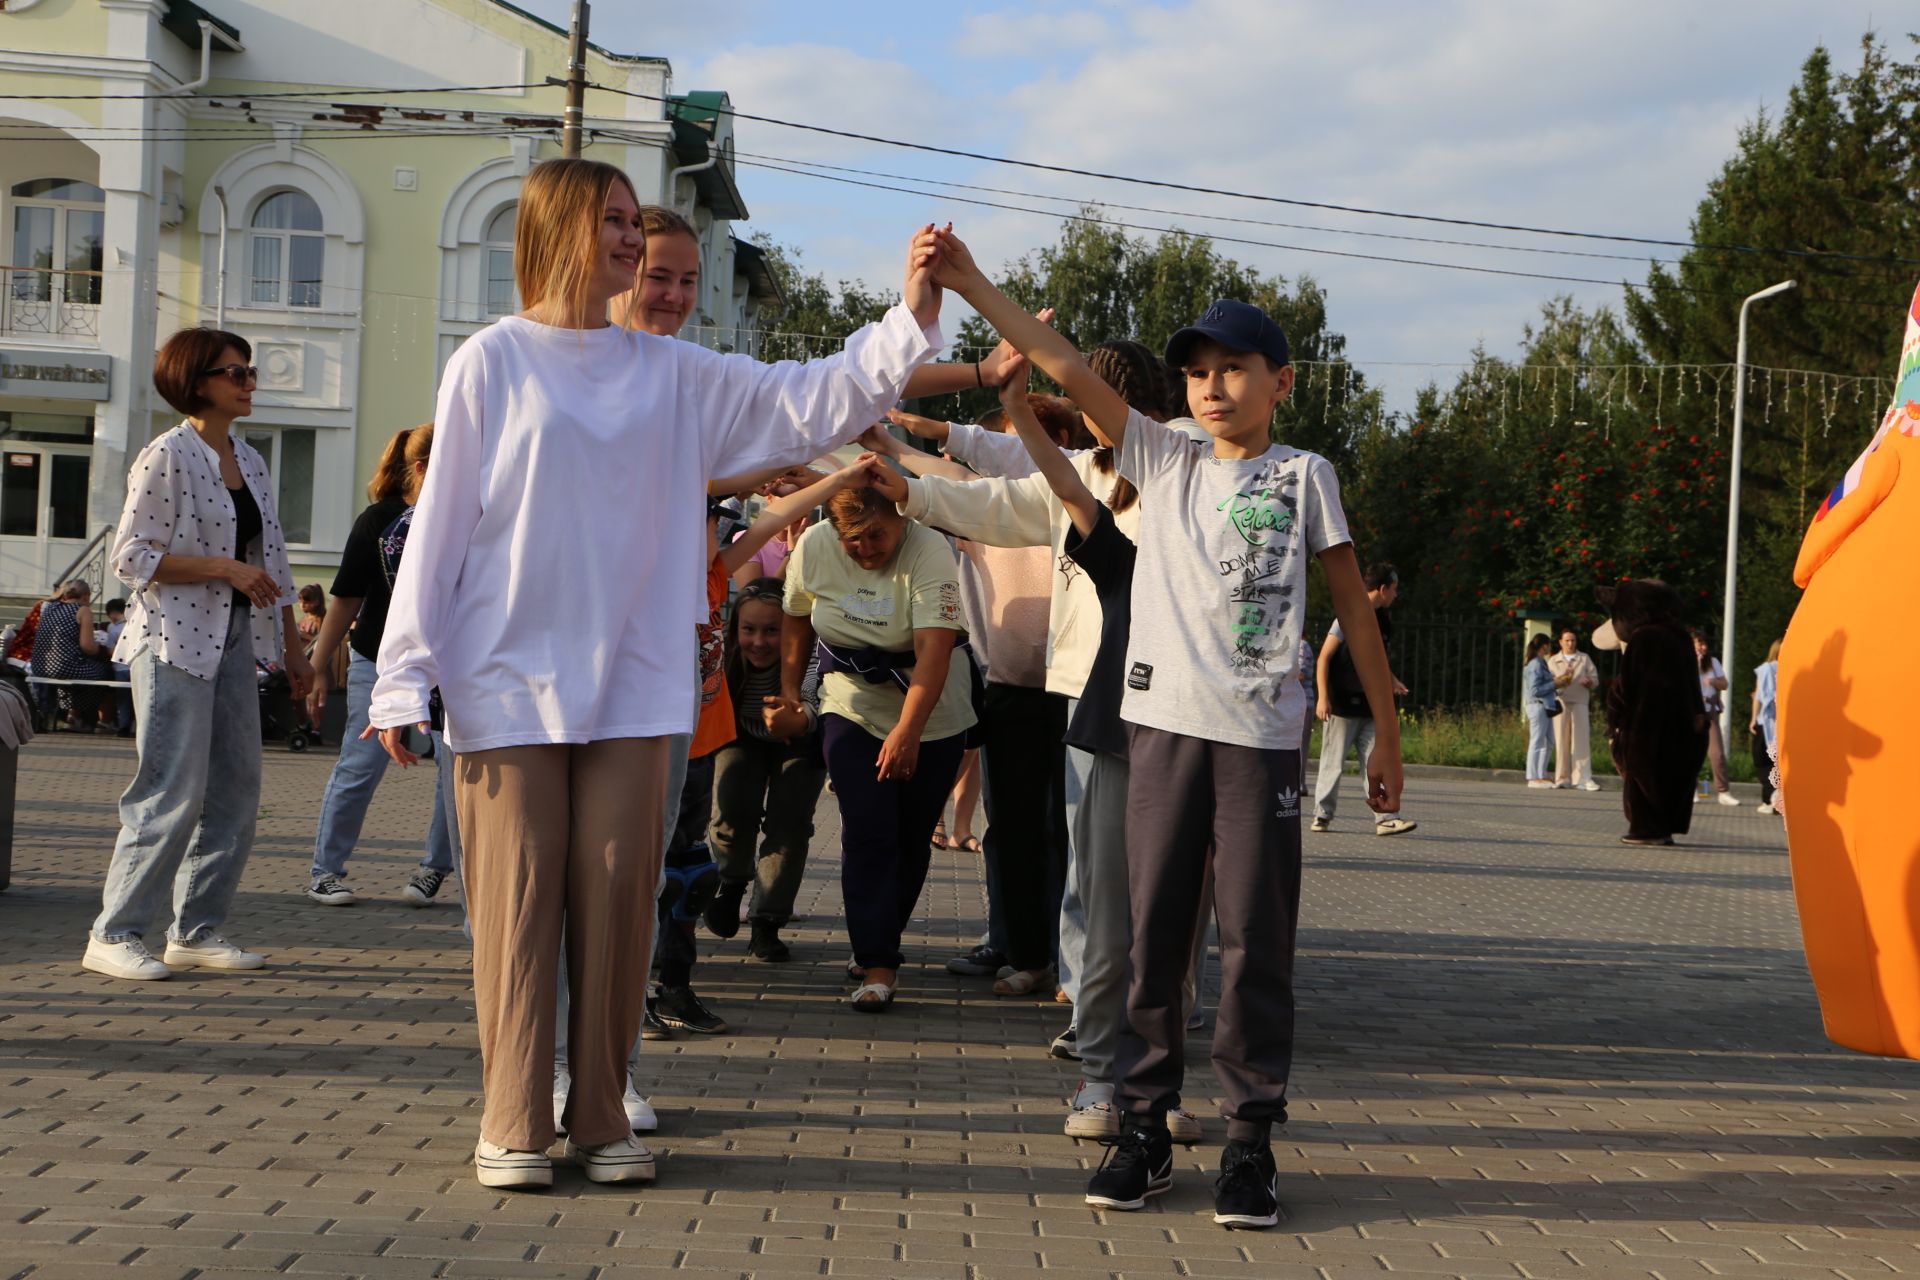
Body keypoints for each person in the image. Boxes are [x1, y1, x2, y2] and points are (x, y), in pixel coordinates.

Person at [368, 159, 945, 1190]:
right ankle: (513, 1118)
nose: (634, 240)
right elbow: (439, 528)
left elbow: (809, 397)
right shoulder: (492, 363)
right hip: (506, 678)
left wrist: (908, 315)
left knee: (617, 900)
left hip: (636, 677)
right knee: (517, 902)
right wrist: (402, 674)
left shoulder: (674, 374)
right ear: (556, 228)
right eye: (616, 221)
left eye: (637, 221)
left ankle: (598, 1114)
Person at [932, 229, 1405, 1231]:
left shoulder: (1305, 475)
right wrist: (974, 283)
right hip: (1161, 731)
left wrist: (1390, 736)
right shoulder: (1161, 454)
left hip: (1264, 741)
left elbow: (1355, 610)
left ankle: (1248, 1142)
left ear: (1280, 381)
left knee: (1256, 940)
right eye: (1195, 371)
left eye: (1234, 369)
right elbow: (1058, 363)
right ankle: (1141, 1126)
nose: (1212, 386)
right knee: (1153, 941)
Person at [81, 326, 313, 981]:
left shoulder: (253, 459)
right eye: (235, 373)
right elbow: (131, 557)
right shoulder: (167, 455)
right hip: (172, 640)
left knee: (238, 787)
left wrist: (295, 649)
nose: (249, 383)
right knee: (169, 790)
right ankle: (115, 932)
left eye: (250, 371)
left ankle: (197, 930)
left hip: (237, 639)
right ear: (197, 382)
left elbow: (275, 563)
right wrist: (223, 569)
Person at [656, 465, 880, 1036]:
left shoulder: (709, 577)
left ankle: (675, 986)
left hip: (699, 746)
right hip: (658, 750)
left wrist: (835, 483)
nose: (721, 533)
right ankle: (650, 987)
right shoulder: (649, 579)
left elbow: (776, 517)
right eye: (710, 523)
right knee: (665, 876)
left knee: (691, 874)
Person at [780, 482, 977, 1012]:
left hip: (933, 710)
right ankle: (878, 963)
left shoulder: (930, 549)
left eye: (876, 536)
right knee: (868, 831)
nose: (864, 548)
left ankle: (877, 938)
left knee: (910, 837)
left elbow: (935, 651)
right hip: (850, 702)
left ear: (900, 519)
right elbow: (796, 618)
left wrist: (909, 732)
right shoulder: (814, 544)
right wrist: (790, 694)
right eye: (851, 539)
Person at [304, 426, 459, 908]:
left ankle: (435, 868)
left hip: (451, 664)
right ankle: (325, 871)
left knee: (454, 770)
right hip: (378, 657)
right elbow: (346, 599)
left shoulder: (462, 518)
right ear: (420, 469)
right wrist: (319, 667)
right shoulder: (379, 521)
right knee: (361, 761)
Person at [702, 575, 825, 963]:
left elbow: (815, 694)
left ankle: (766, 922)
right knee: (730, 809)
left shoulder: (810, 656)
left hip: (801, 739)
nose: (759, 641)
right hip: (740, 733)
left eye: (772, 631)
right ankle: (731, 881)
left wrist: (800, 716)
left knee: (788, 828)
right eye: (749, 629)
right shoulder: (727, 657)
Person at [1597, 581, 1709, 846]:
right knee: (1672, 775)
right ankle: (1665, 826)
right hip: (1681, 722)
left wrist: (1615, 711)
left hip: (1645, 723)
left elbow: (1628, 684)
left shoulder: (1644, 637)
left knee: (1642, 774)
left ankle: (1646, 828)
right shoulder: (1680, 635)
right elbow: (1690, 682)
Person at [1311, 565, 1416, 835]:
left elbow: (1375, 659)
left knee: (1375, 760)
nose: (1396, 594)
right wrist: (1323, 697)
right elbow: (1324, 657)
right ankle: (1322, 815)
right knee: (1333, 763)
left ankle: (1386, 818)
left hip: (1370, 706)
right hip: (1343, 705)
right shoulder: (1348, 616)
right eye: (1395, 589)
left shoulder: (1384, 620)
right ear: (1383, 589)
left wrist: (1391, 679)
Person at [30, 580, 114, 729]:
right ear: (86, 596)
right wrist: (103, 650)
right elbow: (87, 647)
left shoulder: (49, 608)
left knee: (81, 671)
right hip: (64, 667)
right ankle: (93, 720)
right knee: (105, 671)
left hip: (39, 667)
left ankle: (71, 716)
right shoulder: (82, 610)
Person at [1548, 628, 1601, 790]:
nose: (1570, 643)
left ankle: (1583, 778)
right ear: (1560, 642)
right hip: (1561, 702)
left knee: (1581, 740)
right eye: (1567, 640)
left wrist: (1589, 682)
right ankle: (1562, 778)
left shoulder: (1584, 658)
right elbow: (1548, 682)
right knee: (1561, 740)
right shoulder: (1553, 660)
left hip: (1580, 701)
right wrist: (1560, 680)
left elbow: (1595, 680)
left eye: (1573, 640)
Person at [1692, 630, 1739, 806]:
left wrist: (1712, 682)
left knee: (1717, 753)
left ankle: (1723, 791)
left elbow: (1724, 684)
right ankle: (1692, 790)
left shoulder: (1712, 662)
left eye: (1705, 644)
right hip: (1692, 710)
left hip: (1709, 711)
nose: (1703, 647)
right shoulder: (1686, 661)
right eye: (1699, 643)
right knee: (1691, 752)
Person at [1522, 633, 1560, 788]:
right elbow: (1535, 690)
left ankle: (1541, 775)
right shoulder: (1536, 664)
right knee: (1537, 741)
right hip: (1537, 705)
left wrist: (1557, 684)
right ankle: (1532, 777)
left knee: (1549, 741)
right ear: (1544, 645)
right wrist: (1555, 684)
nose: (1550, 647)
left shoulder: (1541, 662)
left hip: (1546, 706)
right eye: (1549, 644)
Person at [1750, 638, 1782, 816]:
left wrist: (1754, 718)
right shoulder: (1789, 667)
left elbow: (1759, 696)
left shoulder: (1767, 669)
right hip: (1782, 721)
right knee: (1776, 761)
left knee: (1761, 760)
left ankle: (1772, 795)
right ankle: (1768, 800)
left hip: (1767, 720)